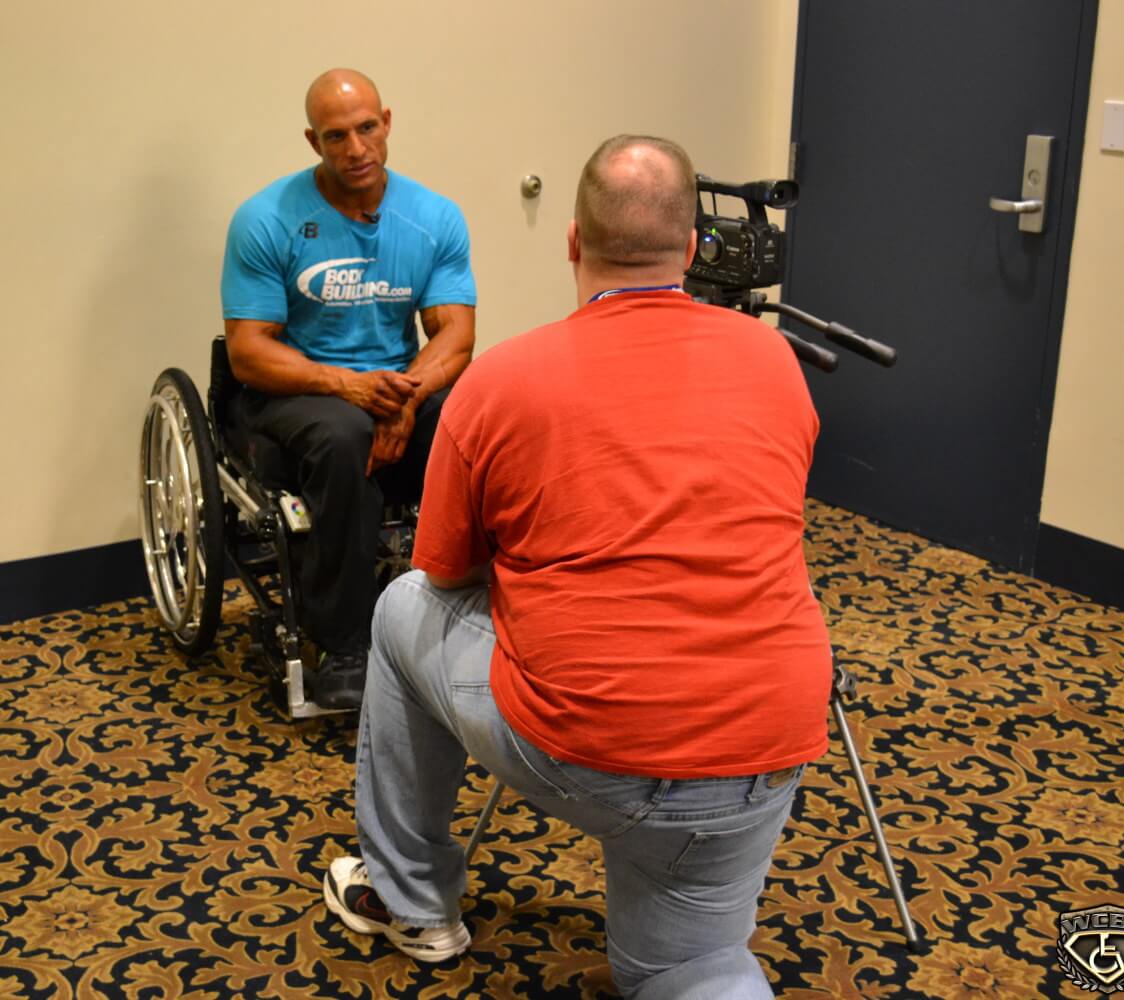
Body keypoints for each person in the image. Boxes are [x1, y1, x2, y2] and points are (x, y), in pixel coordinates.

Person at [322, 136, 832, 998]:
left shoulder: (501, 381)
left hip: (589, 744)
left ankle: (412, 902)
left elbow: (446, 571)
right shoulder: (774, 360)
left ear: (571, 242)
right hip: (764, 746)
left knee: (403, 605)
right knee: (688, 969)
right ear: (693, 249)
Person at [220, 68, 477, 710]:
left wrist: (406, 397)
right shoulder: (265, 220)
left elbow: (455, 335)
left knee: (472, 415)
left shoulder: (433, 217)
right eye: (337, 136)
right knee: (346, 434)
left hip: (392, 385)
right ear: (314, 142)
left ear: (386, 122)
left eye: (367, 129)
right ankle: (344, 643)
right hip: (293, 391)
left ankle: (460, 606)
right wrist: (351, 388)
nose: (356, 149)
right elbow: (249, 351)